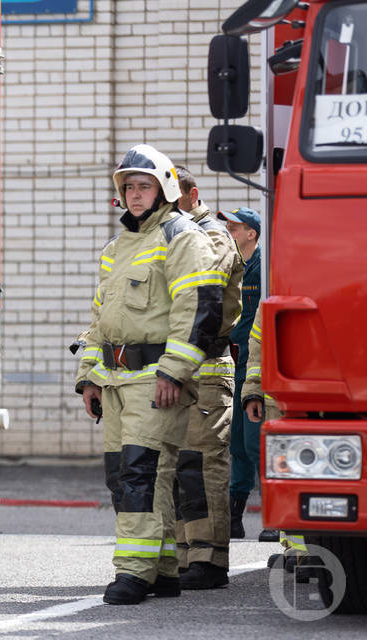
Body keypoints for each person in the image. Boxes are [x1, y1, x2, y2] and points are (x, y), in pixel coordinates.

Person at [75, 144, 221, 605]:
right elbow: (101, 318)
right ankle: (161, 569)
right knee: (127, 476)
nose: (135, 194)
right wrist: (89, 376)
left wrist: (175, 373)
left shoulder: (181, 237)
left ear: (166, 188)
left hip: (155, 377)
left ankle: (132, 574)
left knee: (142, 472)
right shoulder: (118, 246)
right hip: (116, 380)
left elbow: (198, 309)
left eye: (144, 185)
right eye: (129, 187)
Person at [173, 167, 243, 589]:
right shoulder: (174, 235)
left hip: (207, 365)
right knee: (181, 463)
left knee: (202, 462)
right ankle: (187, 555)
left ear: (191, 195)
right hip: (178, 364)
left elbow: (202, 294)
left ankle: (210, 559)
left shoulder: (212, 235)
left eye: (170, 196)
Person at [216, 208, 271, 541]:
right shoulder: (229, 264)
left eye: (234, 227)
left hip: (257, 364)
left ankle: (272, 517)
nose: (228, 231)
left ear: (252, 233)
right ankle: (234, 517)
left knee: (256, 442)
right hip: (233, 361)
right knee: (236, 441)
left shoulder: (265, 265)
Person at [241, 317, 309, 570]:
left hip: (315, 390)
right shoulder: (277, 282)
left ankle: (308, 552)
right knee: (285, 473)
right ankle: (295, 549)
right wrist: (253, 391)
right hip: (278, 397)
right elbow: (258, 341)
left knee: (304, 472)